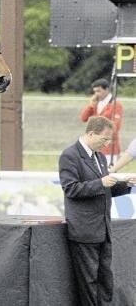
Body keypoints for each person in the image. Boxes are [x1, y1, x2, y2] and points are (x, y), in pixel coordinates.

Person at [59, 116, 135, 306]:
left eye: (110, 140)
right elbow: (71, 189)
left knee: (105, 280)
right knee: (89, 281)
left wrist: (126, 184)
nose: (107, 144)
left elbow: (105, 189)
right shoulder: (70, 156)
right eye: (104, 139)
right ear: (91, 133)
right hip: (84, 230)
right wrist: (100, 182)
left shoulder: (100, 158)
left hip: (103, 229)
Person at [80, 78, 123, 164]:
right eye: (94, 92)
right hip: (95, 147)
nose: (96, 94)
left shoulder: (116, 105)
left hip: (109, 148)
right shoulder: (96, 104)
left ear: (106, 89)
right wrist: (91, 104)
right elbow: (83, 118)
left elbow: (115, 127)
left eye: (98, 91)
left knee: (108, 175)